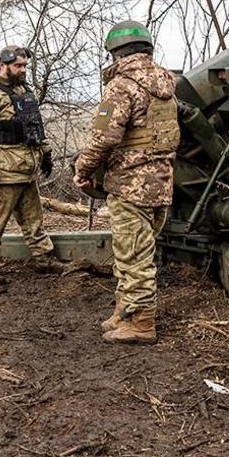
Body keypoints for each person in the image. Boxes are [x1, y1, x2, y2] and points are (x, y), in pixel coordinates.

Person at [73, 22, 178, 344]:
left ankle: (142, 323)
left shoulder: (122, 85)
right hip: (161, 183)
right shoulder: (167, 85)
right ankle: (124, 311)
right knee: (135, 251)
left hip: (130, 185)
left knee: (134, 257)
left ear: (116, 54)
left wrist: (84, 168)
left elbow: (104, 135)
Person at [0, 45, 66, 285]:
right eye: (18, 66)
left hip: (25, 168)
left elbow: (34, 126)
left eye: (24, 65)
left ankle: (44, 257)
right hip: (3, 171)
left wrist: (46, 154)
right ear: (2, 65)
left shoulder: (22, 91)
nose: (22, 70)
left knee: (34, 218)